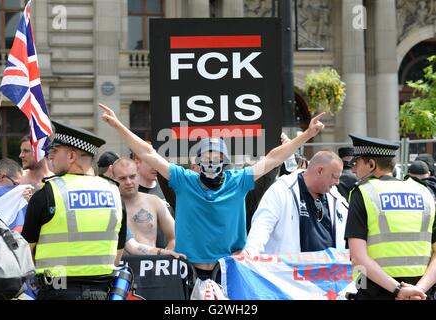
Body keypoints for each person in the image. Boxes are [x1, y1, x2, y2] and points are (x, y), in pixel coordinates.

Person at [99, 102, 325, 281]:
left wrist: (306, 134)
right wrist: (117, 125)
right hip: (189, 271)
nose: (211, 164)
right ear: (197, 162)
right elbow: (147, 154)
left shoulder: (238, 181)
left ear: (225, 161)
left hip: (228, 269)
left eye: (216, 159)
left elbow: (274, 158)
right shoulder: (184, 180)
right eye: (206, 159)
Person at [22, 120, 127, 300]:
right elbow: (118, 252)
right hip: (102, 293)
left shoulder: (47, 193)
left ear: (71, 156)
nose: (50, 156)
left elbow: (26, 253)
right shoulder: (114, 192)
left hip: (56, 292)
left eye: (55, 151)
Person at [344, 134, 436, 300]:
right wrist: (418, 290)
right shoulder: (425, 192)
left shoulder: (363, 193)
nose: (353, 169)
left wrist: (398, 290)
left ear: (371, 164)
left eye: (356, 162)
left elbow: (357, 256)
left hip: (375, 293)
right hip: (420, 294)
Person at [244, 151, 348, 254]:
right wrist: (250, 254)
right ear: (320, 170)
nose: (337, 182)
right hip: (290, 269)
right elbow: (262, 226)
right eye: (334, 177)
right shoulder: (282, 190)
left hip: (330, 269)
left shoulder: (336, 198)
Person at [112, 158, 178, 256]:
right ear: (113, 179)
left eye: (132, 176)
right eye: (122, 178)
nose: (129, 182)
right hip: (119, 267)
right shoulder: (108, 206)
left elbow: (175, 236)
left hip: (151, 266)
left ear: (138, 174)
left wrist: (163, 259)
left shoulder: (154, 202)